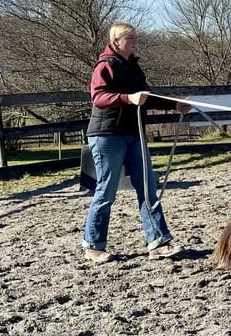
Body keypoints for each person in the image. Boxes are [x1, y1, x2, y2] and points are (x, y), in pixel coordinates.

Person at [81, 22, 190, 263]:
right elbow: (99, 97)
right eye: (130, 38)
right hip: (107, 135)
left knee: (148, 188)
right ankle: (93, 244)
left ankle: (158, 242)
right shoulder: (105, 66)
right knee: (106, 191)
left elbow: (147, 98)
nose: (135, 41)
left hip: (133, 134)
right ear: (116, 41)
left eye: (135, 37)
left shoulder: (134, 69)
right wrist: (128, 98)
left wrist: (174, 105)